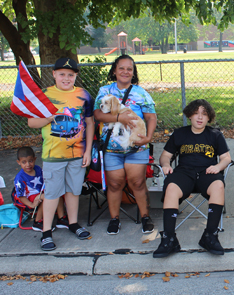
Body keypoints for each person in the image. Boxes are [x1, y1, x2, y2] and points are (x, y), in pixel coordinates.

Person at [27, 57, 94, 251]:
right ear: (54, 74)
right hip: (53, 155)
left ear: (76, 76)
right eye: (62, 74)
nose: (66, 78)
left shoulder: (83, 95)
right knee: (52, 193)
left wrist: (88, 150)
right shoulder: (44, 95)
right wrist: (49, 118)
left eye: (71, 75)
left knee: (74, 190)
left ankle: (73, 223)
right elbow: (32, 122)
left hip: (77, 154)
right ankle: (46, 232)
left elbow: (89, 123)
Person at [153, 99, 231, 258]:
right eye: (196, 113)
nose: (200, 117)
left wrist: (218, 167)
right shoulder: (180, 134)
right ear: (189, 115)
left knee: (218, 186)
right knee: (171, 187)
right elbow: (165, 156)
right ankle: (169, 239)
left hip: (207, 172)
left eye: (204, 114)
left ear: (209, 118)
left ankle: (210, 236)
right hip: (185, 172)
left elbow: (226, 158)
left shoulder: (215, 135)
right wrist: (166, 165)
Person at [94, 55, 157, 235]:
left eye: (129, 69)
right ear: (114, 70)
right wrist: (118, 118)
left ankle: (145, 217)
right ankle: (114, 219)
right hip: (111, 149)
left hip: (136, 147)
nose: (125, 72)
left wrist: (148, 137)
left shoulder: (140, 92)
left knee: (137, 182)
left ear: (133, 72)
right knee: (115, 184)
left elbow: (151, 117)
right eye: (121, 68)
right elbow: (98, 115)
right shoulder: (105, 90)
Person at [13, 147, 68, 231]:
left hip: (41, 193)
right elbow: (21, 196)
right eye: (24, 162)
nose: (28, 164)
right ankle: (37, 222)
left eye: (30, 161)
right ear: (18, 162)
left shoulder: (38, 169)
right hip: (29, 197)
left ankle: (61, 219)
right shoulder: (19, 178)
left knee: (56, 194)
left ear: (35, 159)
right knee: (47, 197)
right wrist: (31, 205)